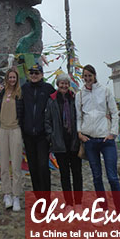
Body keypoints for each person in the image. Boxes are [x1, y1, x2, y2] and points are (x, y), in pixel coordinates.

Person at [75, 64, 120, 228]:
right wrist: (79, 133)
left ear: (95, 75)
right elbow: (78, 116)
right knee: (97, 177)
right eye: (85, 76)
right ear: (82, 77)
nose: (87, 78)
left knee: (112, 177)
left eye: (90, 75)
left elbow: (114, 112)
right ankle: (104, 211)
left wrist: (113, 133)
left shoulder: (105, 91)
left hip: (106, 140)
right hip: (89, 141)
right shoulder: (80, 95)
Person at [45, 73, 83, 214]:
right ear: (58, 84)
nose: (64, 86)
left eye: (66, 83)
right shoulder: (52, 100)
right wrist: (52, 137)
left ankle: (78, 203)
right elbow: (47, 121)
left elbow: (81, 116)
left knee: (77, 173)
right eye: (61, 83)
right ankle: (69, 204)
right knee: (64, 174)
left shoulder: (74, 99)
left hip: (74, 142)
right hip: (60, 143)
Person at [21, 64, 55, 198]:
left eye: (36, 73)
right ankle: (38, 197)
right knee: (33, 167)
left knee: (43, 166)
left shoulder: (48, 89)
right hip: (28, 134)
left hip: (42, 135)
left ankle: (46, 197)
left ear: (41, 74)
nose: (34, 75)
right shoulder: (24, 89)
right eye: (32, 73)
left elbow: (58, 103)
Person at [0, 68, 24, 211]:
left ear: (17, 79)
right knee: (4, 165)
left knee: (17, 165)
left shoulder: (20, 94)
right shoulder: (0, 93)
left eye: (14, 77)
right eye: (10, 77)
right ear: (6, 78)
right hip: (2, 130)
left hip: (15, 130)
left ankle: (16, 195)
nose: (12, 80)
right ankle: (7, 194)